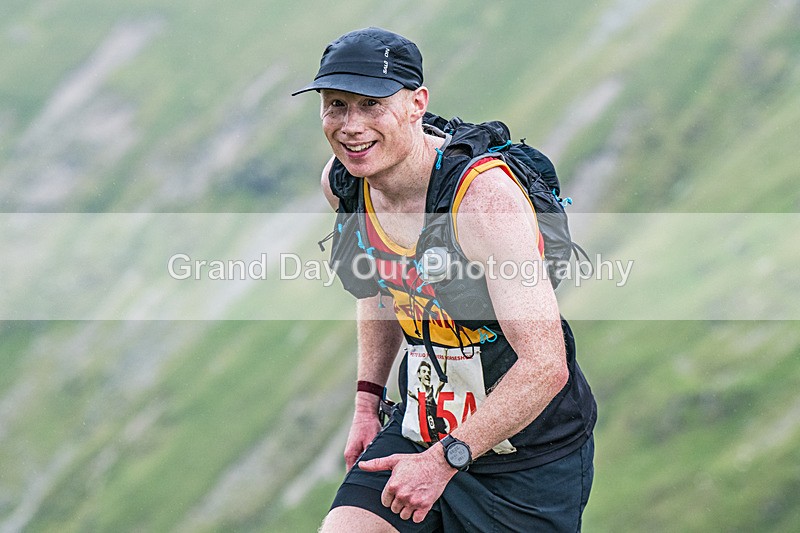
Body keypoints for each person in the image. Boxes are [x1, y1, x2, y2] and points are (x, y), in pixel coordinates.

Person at [293, 27, 597, 532]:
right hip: (420, 429)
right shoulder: (345, 183)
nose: (350, 126)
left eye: (371, 104)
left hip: (524, 456)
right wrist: (367, 404)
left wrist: (444, 461)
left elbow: (547, 366)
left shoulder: (483, 202)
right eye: (335, 104)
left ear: (417, 104)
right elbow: (379, 292)